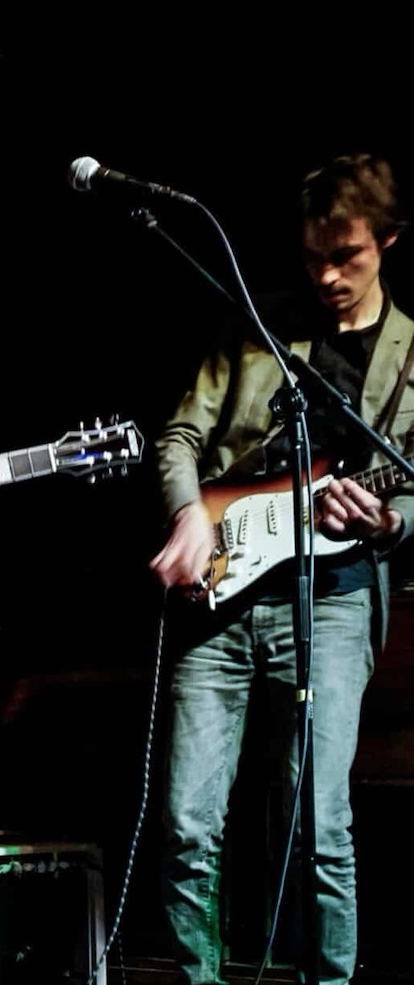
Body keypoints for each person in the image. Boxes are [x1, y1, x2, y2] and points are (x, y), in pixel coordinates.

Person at [149, 152, 412, 985]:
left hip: (332, 600)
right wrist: (190, 514)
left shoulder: (412, 356)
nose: (327, 275)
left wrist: (389, 519)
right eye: (313, 257)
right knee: (189, 823)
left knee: (319, 822)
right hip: (219, 594)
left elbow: (412, 491)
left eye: (347, 255)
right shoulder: (259, 329)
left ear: (389, 240)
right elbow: (179, 436)